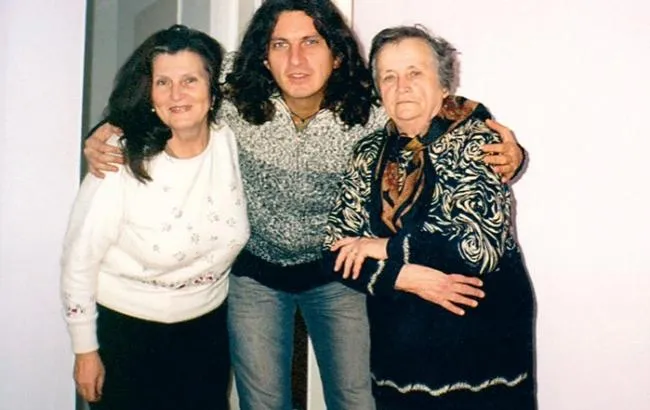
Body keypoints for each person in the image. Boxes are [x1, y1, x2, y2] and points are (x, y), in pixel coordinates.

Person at [83, 1, 525, 409]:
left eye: (311, 42)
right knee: (264, 402)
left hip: (336, 271)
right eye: (280, 45)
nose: (296, 60)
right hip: (256, 273)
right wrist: (109, 126)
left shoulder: (371, 110)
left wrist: (512, 153)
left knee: (355, 398)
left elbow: (434, 107)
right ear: (263, 56)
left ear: (337, 55)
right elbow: (174, 92)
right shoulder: (235, 100)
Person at [323, 26, 536, 410]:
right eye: (389, 76)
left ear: (443, 83)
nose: (401, 86)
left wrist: (382, 247)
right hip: (399, 350)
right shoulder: (368, 152)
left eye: (414, 73)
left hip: (480, 345)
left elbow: (477, 248)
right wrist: (403, 277)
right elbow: (336, 251)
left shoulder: (479, 140)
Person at [60, 25, 249, 410]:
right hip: (125, 332)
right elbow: (79, 258)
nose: (177, 94)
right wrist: (84, 350)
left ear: (213, 90)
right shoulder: (119, 158)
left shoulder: (232, 140)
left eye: (190, 80)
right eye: (163, 82)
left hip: (207, 330)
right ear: (150, 93)